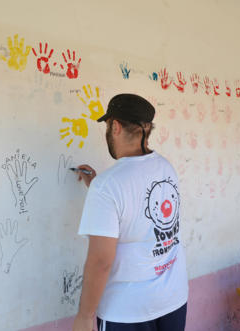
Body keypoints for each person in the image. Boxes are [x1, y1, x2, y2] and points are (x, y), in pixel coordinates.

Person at [72, 94, 188, 331]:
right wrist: (95, 185)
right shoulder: (166, 167)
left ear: (114, 126)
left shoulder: (108, 186)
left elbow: (100, 261)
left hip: (127, 312)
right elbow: (142, 215)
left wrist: (85, 316)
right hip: (173, 299)